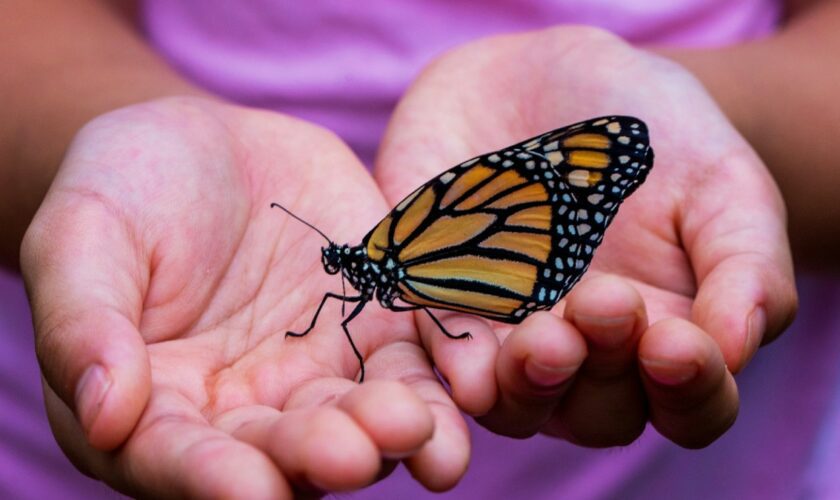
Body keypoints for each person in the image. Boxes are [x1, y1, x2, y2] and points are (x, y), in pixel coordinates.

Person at [1, 0, 834, 497]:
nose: (342, 276)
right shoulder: (380, 263)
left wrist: (738, 119)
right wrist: (121, 136)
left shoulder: (398, 250)